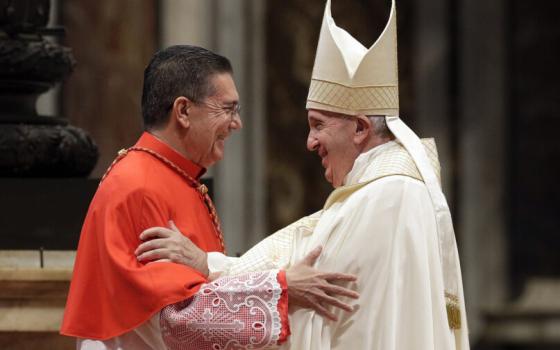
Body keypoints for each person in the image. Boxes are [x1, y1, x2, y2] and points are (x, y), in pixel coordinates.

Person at [139, 0, 471, 349]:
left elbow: (308, 286)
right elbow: (300, 251)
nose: (310, 142)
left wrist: (206, 265)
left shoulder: (384, 198)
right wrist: (208, 263)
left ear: (359, 128)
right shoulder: (383, 191)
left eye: (318, 125)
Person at [60, 45, 359, 350]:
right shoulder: (139, 186)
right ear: (184, 111)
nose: (237, 123)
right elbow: (179, 320)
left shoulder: (174, 176)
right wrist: (281, 288)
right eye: (228, 108)